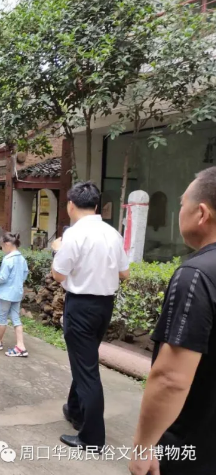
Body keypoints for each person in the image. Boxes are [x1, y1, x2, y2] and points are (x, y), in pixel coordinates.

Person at [129, 167, 216, 475]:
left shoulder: (197, 275)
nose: (179, 211)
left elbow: (171, 378)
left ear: (201, 213)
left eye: (181, 204)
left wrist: (143, 447)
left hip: (192, 452)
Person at [51, 181, 130, 450]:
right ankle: (75, 410)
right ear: (96, 206)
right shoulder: (112, 233)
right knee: (84, 361)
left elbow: (58, 274)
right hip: (104, 306)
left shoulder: (73, 235)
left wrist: (57, 250)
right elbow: (125, 273)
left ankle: (92, 437)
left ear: (70, 205)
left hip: (81, 305)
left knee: (87, 371)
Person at [0, 232, 30, 357]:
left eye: (2, 246)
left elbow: (3, 277)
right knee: (16, 318)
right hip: (17, 293)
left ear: (7, 244)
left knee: (2, 319)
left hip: (6, 294)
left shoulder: (8, 259)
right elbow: (25, 273)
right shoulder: (22, 258)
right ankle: (20, 346)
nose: (2, 249)